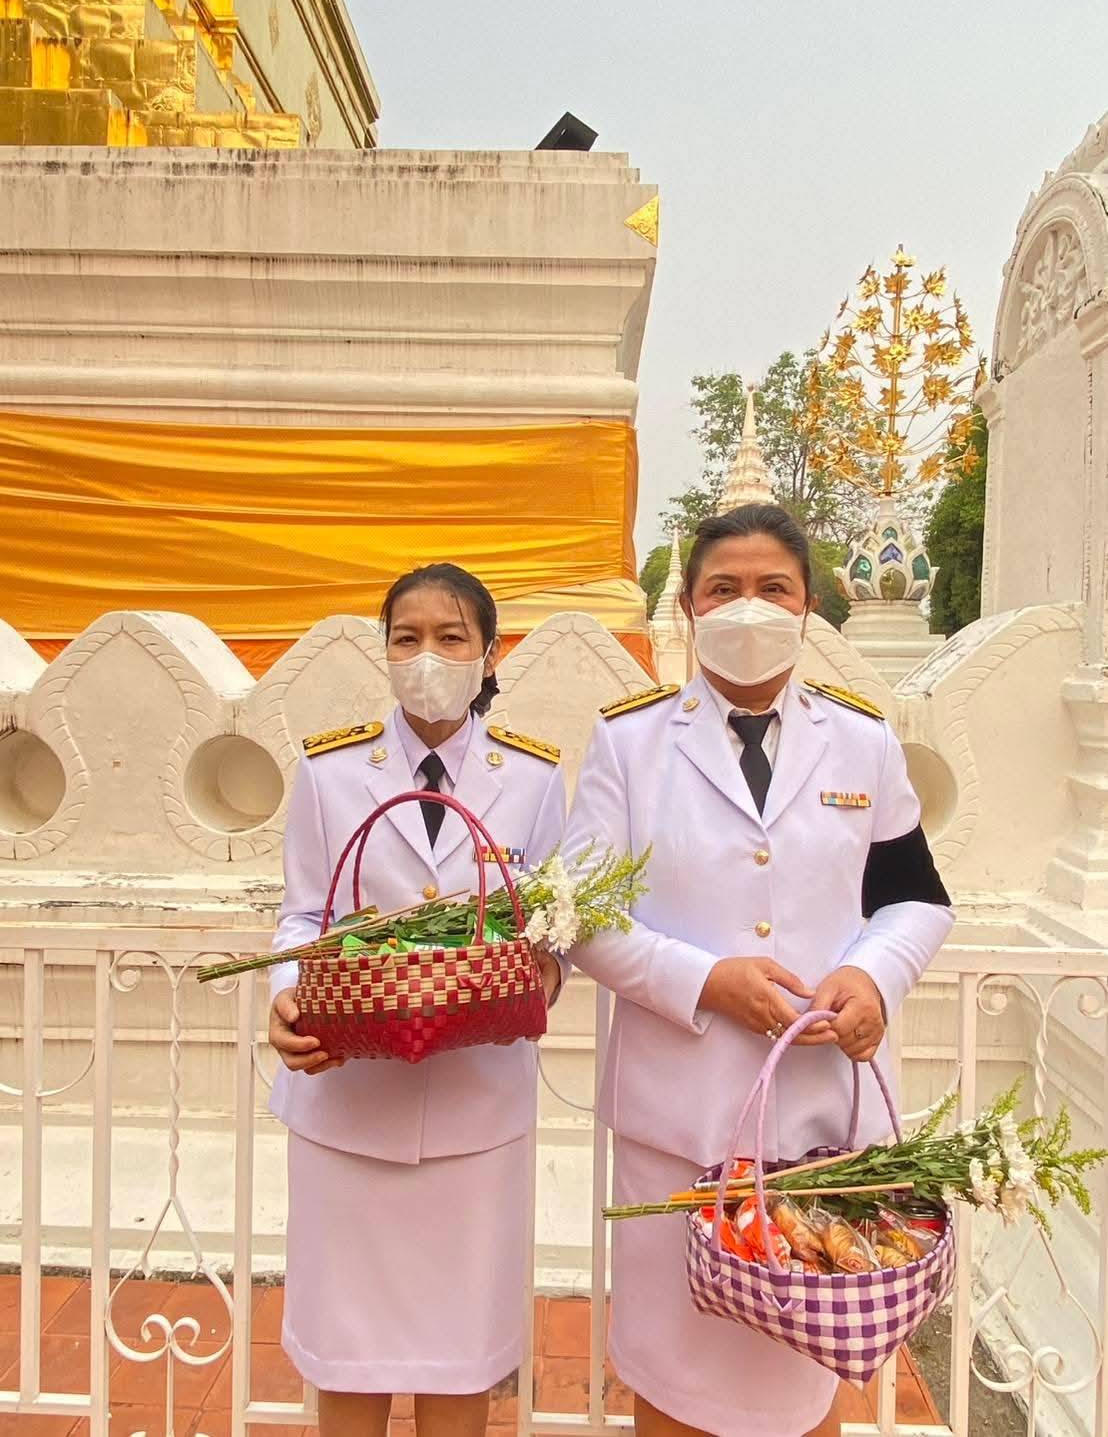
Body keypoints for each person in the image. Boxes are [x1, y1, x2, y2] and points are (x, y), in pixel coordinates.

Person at [560, 504, 954, 1437]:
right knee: (674, 1374)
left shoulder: (862, 740)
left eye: (773, 587)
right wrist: (703, 980)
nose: (748, 607)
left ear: (809, 605)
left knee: (799, 1374)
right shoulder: (631, 743)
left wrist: (873, 976)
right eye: (723, 588)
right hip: (677, 1118)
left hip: (819, 1125)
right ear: (688, 607)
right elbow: (579, 915)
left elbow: (915, 899)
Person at [267, 563, 566, 1437]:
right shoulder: (329, 769)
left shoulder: (535, 776)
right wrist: (289, 995)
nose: (426, 655)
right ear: (386, 649)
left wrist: (539, 979)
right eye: (406, 637)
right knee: (347, 1355)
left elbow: (554, 926)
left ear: (489, 652)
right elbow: (302, 914)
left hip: (477, 1111)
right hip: (347, 1104)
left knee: (459, 1356)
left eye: (449, 636)